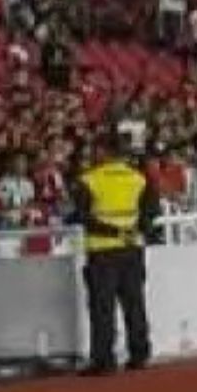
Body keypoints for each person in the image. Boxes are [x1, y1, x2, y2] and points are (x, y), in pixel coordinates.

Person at [71, 131, 159, 375]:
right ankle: (139, 354)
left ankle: (104, 359)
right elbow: (151, 212)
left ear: (103, 152)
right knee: (134, 303)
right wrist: (133, 230)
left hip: (102, 251)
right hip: (132, 248)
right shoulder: (138, 179)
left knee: (102, 308)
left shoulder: (88, 180)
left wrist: (111, 231)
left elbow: (82, 216)